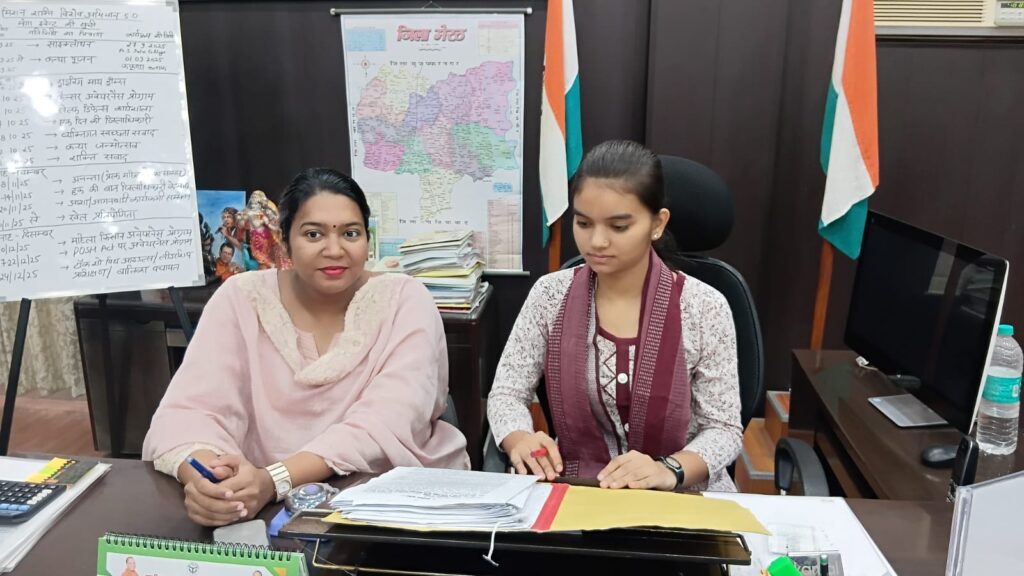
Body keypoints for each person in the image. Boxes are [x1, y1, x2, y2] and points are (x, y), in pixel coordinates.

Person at [143, 168, 469, 526]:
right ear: (284, 242)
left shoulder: (404, 300)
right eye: (313, 234)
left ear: (367, 240)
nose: (335, 250)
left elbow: (385, 423)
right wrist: (214, 485)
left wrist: (273, 480)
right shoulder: (241, 299)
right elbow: (188, 413)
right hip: (260, 513)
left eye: (350, 233)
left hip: (392, 506)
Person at [487, 140, 742, 492]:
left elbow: (724, 429)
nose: (597, 242)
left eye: (618, 227)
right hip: (577, 488)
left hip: (684, 494)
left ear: (657, 224)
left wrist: (668, 469)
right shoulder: (550, 296)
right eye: (583, 223)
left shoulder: (705, 307)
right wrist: (519, 439)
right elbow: (506, 394)